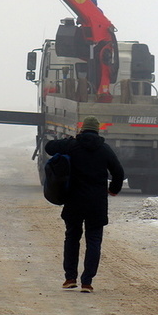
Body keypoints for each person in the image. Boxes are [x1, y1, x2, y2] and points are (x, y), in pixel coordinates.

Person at [44, 116, 124, 293]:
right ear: (97, 130)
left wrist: (66, 141)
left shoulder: (72, 146)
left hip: (74, 201)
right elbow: (118, 172)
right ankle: (87, 282)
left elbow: (48, 147)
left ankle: (70, 278)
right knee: (94, 241)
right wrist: (113, 189)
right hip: (96, 203)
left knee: (72, 237)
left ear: (81, 130)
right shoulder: (104, 149)